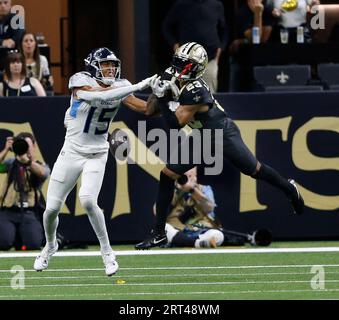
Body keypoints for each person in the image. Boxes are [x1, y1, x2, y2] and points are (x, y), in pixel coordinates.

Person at [135, 42, 304, 250]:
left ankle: (289, 189)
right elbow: (147, 110)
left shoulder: (196, 89)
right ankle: (159, 232)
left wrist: (161, 98)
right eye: (179, 61)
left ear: (195, 68)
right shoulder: (171, 76)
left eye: (185, 64)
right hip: (201, 135)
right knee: (167, 173)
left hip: (221, 132)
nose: (179, 67)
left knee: (255, 170)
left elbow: (175, 123)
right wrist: (119, 95)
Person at [33, 47, 156, 276]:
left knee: (88, 200)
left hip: (97, 153)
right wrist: (140, 85)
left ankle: (107, 252)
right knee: (51, 210)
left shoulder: (120, 86)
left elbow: (147, 108)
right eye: (105, 65)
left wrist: (158, 94)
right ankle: (50, 246)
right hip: (71, 151)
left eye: (112, 65)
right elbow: (98, 96)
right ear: (93, 66)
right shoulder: (80, 80)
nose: (110, 69)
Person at [160, 167, 246, 249]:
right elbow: (157, 211)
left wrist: (193, 190)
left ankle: (191, 242)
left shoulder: (204, 189)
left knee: (216, 235)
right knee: (164, 228)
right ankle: (197, 243)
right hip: (178, 232)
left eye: (189, 176)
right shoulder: (172, 189)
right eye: (183, 176)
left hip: (200, 231)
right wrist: (172, 191)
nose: (185, 179)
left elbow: (209, 208)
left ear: (195, 176)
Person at [162, 0, 228, 93]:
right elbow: (166, 26)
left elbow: (224, 30)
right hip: (185, 61)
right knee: (184, 95)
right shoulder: (181, 5)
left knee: (209, 96)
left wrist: (220, 49)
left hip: (210, 59)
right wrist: (174, 44)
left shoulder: (217, 5)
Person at [0, 132, 50, 250]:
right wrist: (6, 149)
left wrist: (27, 161)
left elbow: (43, 174)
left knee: (33, 245)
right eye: (22, 146)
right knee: (3, 243)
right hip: (7, 212)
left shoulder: (40, 166)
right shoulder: (10, 164)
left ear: (34, 146)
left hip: (29, 213)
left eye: (27, 145)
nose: (25, 149)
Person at [229, 0, 274, 91]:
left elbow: (262, 40)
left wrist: (259, 14)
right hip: (241, 59)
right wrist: (258, 14)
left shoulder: (268, 10)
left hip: (262, 59)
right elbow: (255, 39)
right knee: (237, 91)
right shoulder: (242, 12)